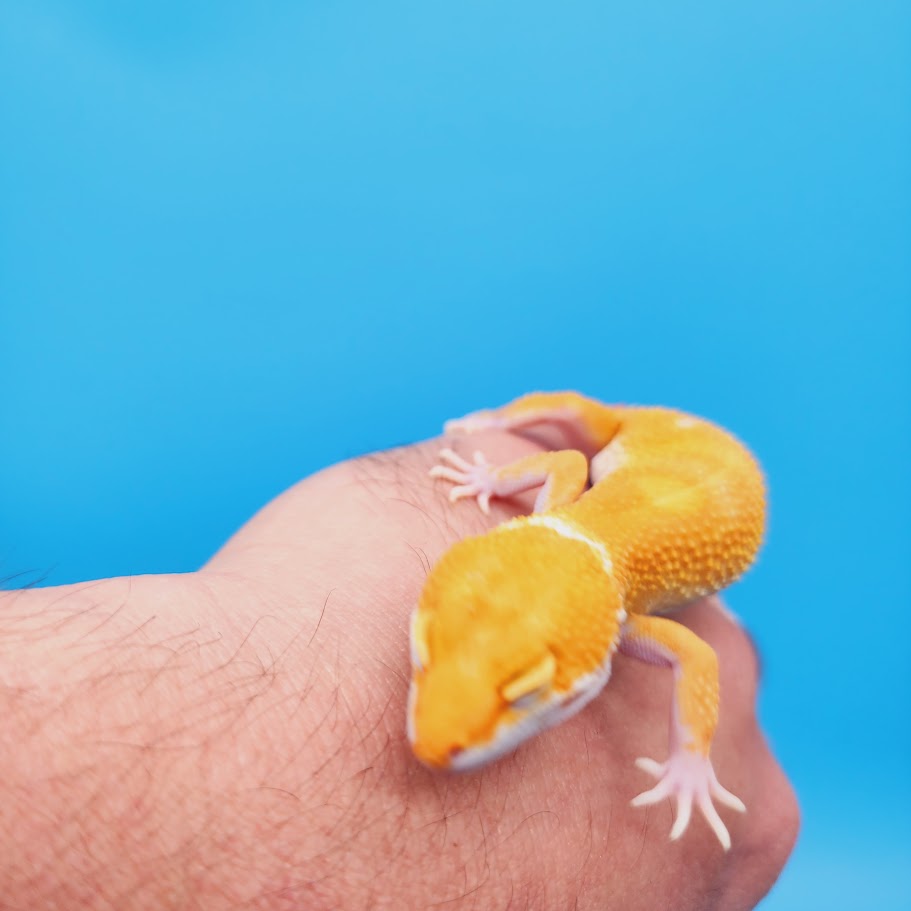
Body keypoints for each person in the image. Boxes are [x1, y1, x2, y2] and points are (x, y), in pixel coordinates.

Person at [0, 428, 798, 909]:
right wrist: (492, 469)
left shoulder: (627, 616)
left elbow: (693, 654)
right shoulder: (558, 514)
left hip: (683, 461)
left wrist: (690, 757)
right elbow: (560, 462)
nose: (433, 739)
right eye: (428, 653)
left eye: (523, 697)